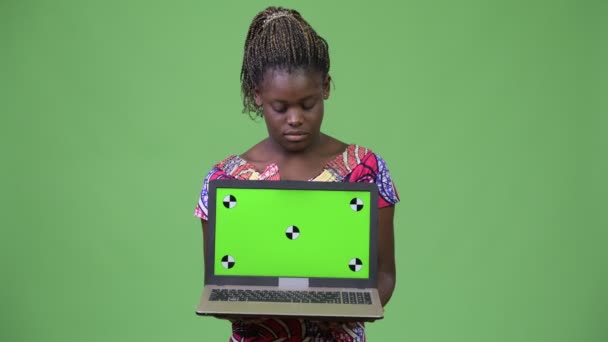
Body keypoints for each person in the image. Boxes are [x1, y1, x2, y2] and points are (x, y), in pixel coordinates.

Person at [194, 6, 400, 341]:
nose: (295, 118)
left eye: (308, 104)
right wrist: (268, 301)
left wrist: (347, 305)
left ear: (326, 88)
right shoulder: (225, 179)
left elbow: (385, 275)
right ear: (257, 94)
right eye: (280, 107)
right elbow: (217, 288)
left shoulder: (365, 170)